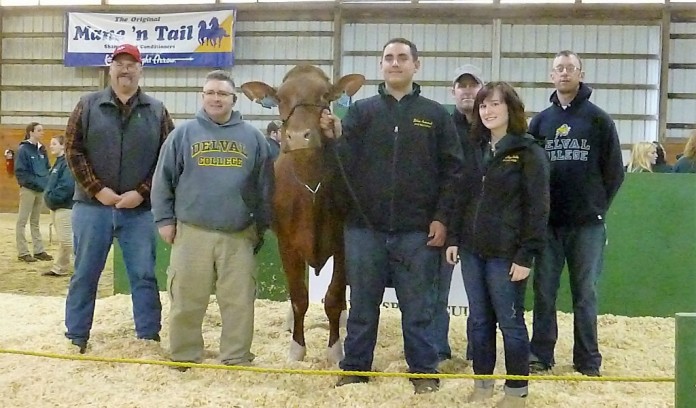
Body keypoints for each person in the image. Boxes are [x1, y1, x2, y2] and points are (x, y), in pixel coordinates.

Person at [319, 38, 463, 394]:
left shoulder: (435, 115)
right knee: (363, 307)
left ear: (417, 65)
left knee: (419, 309)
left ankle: (424, 372)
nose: (395, 63)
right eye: (388, 58)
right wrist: (333, 138)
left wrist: (442, 217)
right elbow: (344, 166)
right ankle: (354, 370)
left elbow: (453, 172)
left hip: (417, 232)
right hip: (364, 229)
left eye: (402, 58)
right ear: (380, 66)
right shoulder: (362, 112)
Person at [151, 70, 272, 369]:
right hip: (192, 231)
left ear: (234, 99)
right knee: (186, 299)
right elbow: (162, 180)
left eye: (222, 94)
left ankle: (235, 357)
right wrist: (165, 220)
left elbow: (266, 186)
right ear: (202, 97)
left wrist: (260, 226)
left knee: (239, 303)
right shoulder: (183, 134)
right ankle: (183, 355)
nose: (216, 98)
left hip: (238, 233)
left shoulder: (254, 138)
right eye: (210, 93)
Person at [64, 43, 174, 353]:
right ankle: (76, 337)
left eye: (131, 63)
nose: (125, 69)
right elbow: (73, 151)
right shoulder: (87, 106)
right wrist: (98, 189)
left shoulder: (157, 110)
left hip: (139, 212)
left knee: (143, 275)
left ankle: (148, 338)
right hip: (91, 208)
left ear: (141, 70)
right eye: (119, 63)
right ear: (110, 68)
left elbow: (166, 159)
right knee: (85, 273)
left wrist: (141, 194)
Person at [446, 81, 549, 408]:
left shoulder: (528, 152)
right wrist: (454, 238)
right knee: (478, 319)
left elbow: (538, 207)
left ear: (510, 109)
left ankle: (516, 392)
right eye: (483, 106)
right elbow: (461, 197)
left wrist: (525, 255)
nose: (488, 111)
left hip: (507, 255)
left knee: (510, 321)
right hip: (472, 251)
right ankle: (483, 384)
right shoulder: (474, 149)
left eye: (494, 104)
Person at [528, 50, 625, 377]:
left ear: (581, 74)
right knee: (544, 292)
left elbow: (614, 172)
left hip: (587, 226)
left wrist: (596, 207)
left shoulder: (599, 120)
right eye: (559, 68)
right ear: (551, 75)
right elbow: (530, 172)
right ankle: (541, 355)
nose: (565, 73)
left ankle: (587, 361)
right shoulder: (540, 122)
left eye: (570, 68)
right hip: (548, 226)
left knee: (585, 294)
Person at [431, 64, 483, 363]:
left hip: (479, 225)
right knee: (437, 294)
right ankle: (438, 351)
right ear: (453, 92)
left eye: (472, 85)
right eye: (461, 86)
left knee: (479, 299)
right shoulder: (442, 126)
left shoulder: (492, 127)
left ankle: (478, 354)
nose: (466, 91)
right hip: (447, 221)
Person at [14, 122, 53, 263]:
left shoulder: (42, 149)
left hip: (40, 190)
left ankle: (38, 250)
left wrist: (45, 184)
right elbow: (20, 171)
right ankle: (23, 252)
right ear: (31, 132)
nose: (42, 132)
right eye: (39, 130)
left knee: (35, 221)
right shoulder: (23, 149)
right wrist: (32, 184)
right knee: (22, 221)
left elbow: (47, 167)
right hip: (28, 190)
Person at [42, 135, 75, 277]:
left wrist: (52, 198)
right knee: (63, 240)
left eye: (54, 143)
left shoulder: (67, 163)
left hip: (64, 207)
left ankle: (84, 267)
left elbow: (67, 186)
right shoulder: (58, 162)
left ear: (63, 146)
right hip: (55, 207)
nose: (51, 146)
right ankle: (59, 268)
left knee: (68, 241)